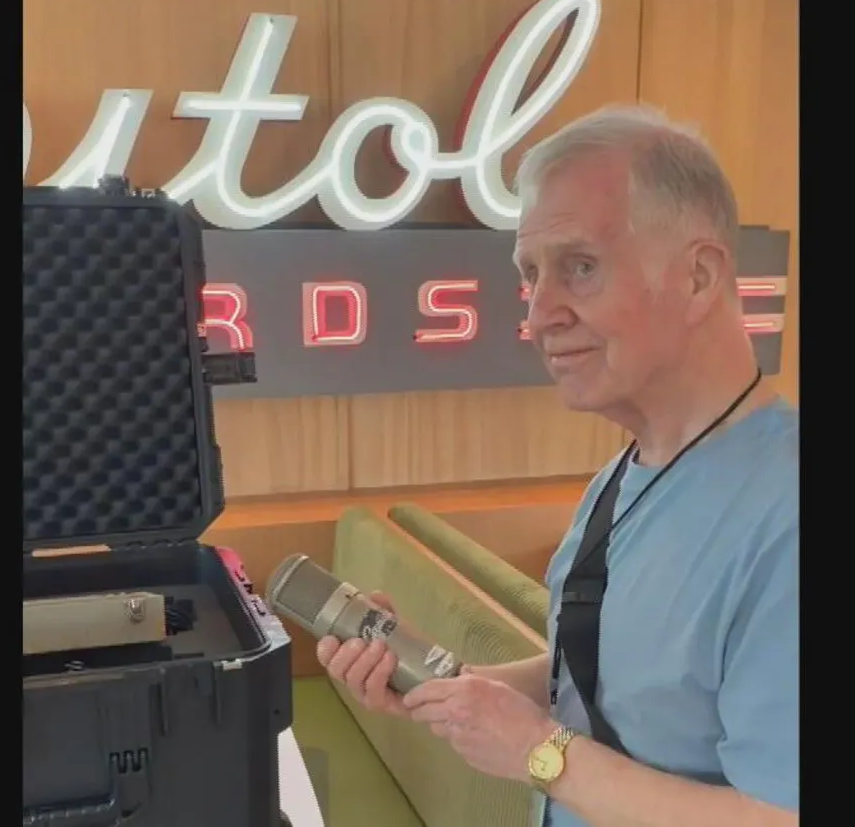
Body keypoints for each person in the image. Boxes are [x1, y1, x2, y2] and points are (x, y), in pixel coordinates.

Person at [317, 104, 799, 827]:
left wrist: (540, 752)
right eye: (530, 277)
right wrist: (438, 681)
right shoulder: (625, 473)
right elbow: (591, 674)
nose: (540, 314)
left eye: (580, 267)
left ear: (699, 276)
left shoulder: (784, 515)